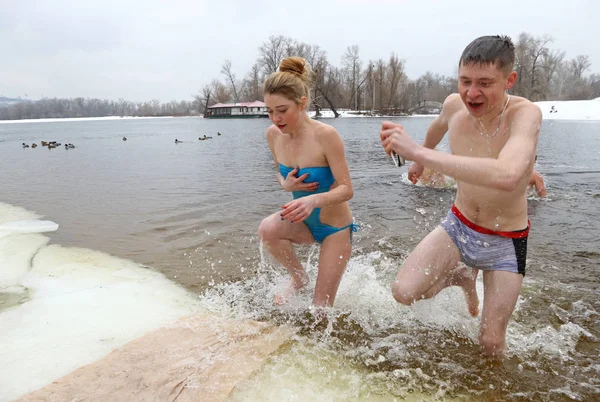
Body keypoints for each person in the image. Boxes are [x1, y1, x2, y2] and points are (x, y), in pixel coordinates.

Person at [379, 35, 542, 357]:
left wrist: (418, 153)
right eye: (465, 81)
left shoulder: (526, 114)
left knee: (491, 342)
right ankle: (461, 274)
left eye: (484, 83)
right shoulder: (454, 106)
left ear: (509, 80)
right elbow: (437, 129)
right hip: (459, 226)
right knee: (403, 292)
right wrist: (417, 157)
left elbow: (507, 175)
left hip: (506, 240)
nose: (471, 92)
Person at [258, 57, 358, 307]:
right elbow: (279, 173)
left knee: (320, 311)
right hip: (302, 222)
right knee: (267, 230)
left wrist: (313, 200)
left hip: (335, 229)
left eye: (282, 110)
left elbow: (347, 189)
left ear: (302, 104)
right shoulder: (273, 135)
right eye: (269, 111)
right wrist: (285, 184)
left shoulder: (326, 136)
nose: (275, 119)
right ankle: (299, 278)